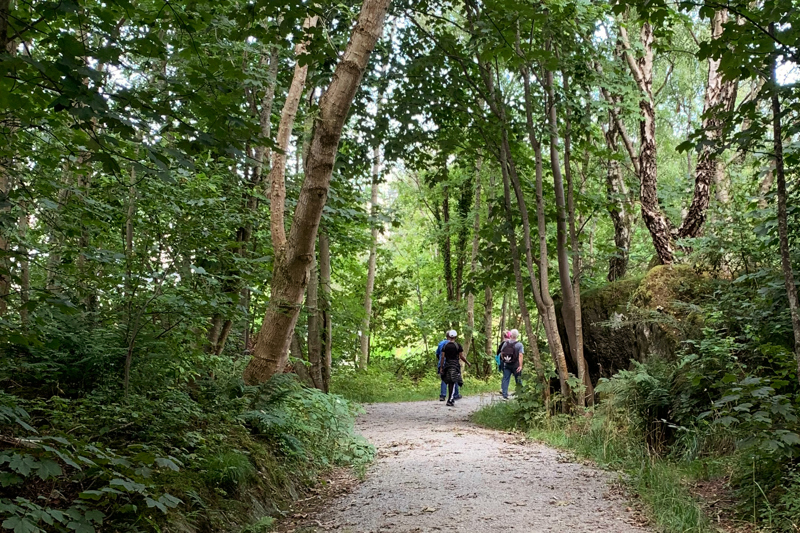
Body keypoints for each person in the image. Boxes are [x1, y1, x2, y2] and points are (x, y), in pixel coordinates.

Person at [438, 330, 470, 407]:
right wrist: (468, 362)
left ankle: (448, 397)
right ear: (455, 337)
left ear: (449, 336)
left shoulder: (445, 346)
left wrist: (441, 367)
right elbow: (461, 356)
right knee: (453, 382)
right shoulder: (458, 346)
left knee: (449, 382)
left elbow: (442, 357)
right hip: (455, 366)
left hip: (447, 365)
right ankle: (450, 399)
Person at [498, 329, 524, 400]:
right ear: (517, 336)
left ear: (511, 335)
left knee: (506, 378)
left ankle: (504, 395)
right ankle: (520, 394)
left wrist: (504, 360)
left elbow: (502, 352)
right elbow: (520, 355)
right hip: (516, 365)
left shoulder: (505, 343)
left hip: (507, 364)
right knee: (518, 379)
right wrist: (520, 365)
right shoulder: (519, 345)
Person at [437, 334, 461, 401]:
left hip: (443, 363)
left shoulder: (441, 343)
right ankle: (455, 394)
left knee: (444, 379)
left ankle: (443, 395)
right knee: (454, 378)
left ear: (447, 336)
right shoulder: (455, 345)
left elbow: (438, 354)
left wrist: (440, 365)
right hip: (452, 364)